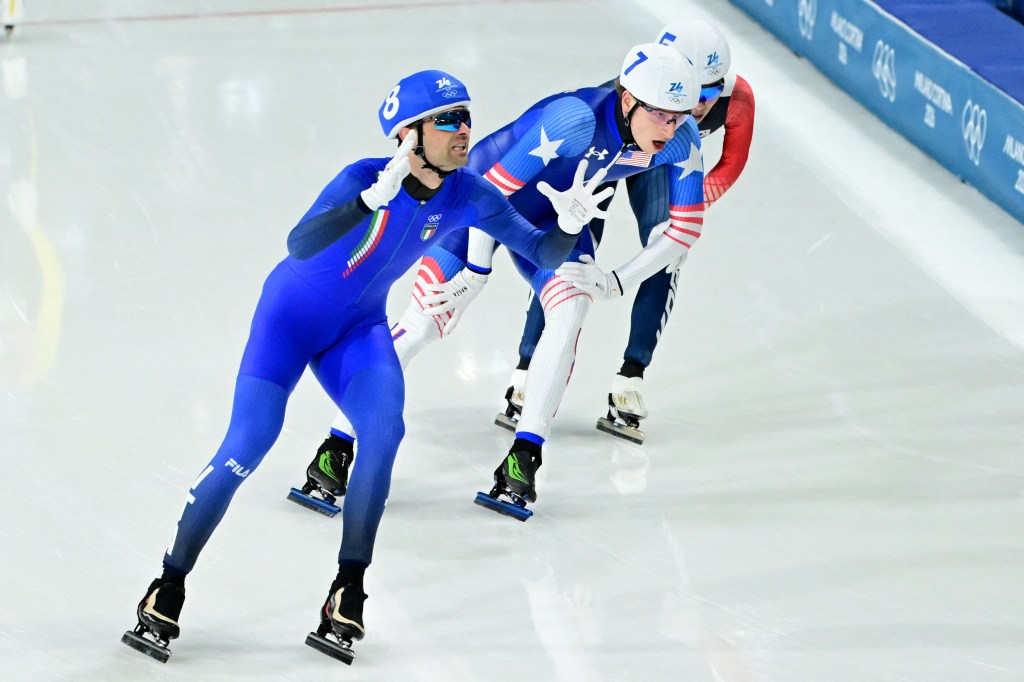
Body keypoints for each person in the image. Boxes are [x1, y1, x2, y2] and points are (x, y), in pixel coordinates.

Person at [121, 69, 611, 664]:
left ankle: (347, 589)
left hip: (358, 329)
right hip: (288, 320)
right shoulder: (362, 178)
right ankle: (168, 583)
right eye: (447, 120)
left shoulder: (469, 193)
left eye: (466, 116)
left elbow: (539, 252)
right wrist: (366, 203)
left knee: (383, 433)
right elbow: (299, 245)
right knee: (249, 442)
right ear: (408, 135)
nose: (464, 130)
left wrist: (568, 226)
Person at [307, 42, 704, 518]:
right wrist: (476, 272)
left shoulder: (682, 139)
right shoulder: (574, 120)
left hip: (554, 219)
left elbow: (685, 228)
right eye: (661, 115)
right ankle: (336, 445)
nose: (671, 128)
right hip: (475, 201)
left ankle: (524, 457)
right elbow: (488, 196)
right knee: (425, 320)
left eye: (679, 117)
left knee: (571, 307)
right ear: (628, 100)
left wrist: (616, 281)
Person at [507, 19, 756, 444]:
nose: (697, 107)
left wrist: (689, 203)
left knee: (669, 249)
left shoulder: (740, 100)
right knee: (567, 256)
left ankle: (631, 376)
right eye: (689, 93)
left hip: (668, 161)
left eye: (710, 93)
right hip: (610, 157)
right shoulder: (621, 98)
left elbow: (730, 165)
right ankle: (527, 367)